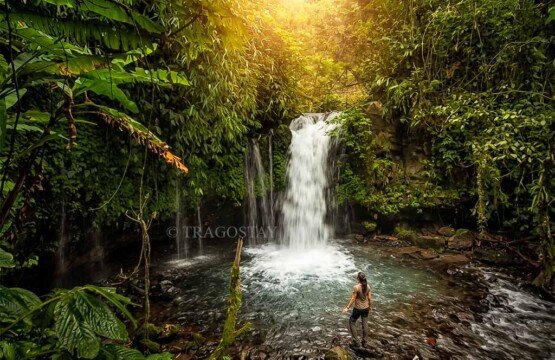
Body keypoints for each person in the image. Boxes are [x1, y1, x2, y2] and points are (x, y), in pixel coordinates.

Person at [342, 271, 372, 348]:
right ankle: (365, 343)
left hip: (358, 308)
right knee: (365, 324)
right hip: (366, 308)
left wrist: (347, 308)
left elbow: (353, 298)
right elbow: (369, 298)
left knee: (351, 322)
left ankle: (356, 342)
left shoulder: (356, 287)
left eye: (357, 277)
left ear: (358, 279)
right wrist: (370, 306)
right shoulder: (368, 286)